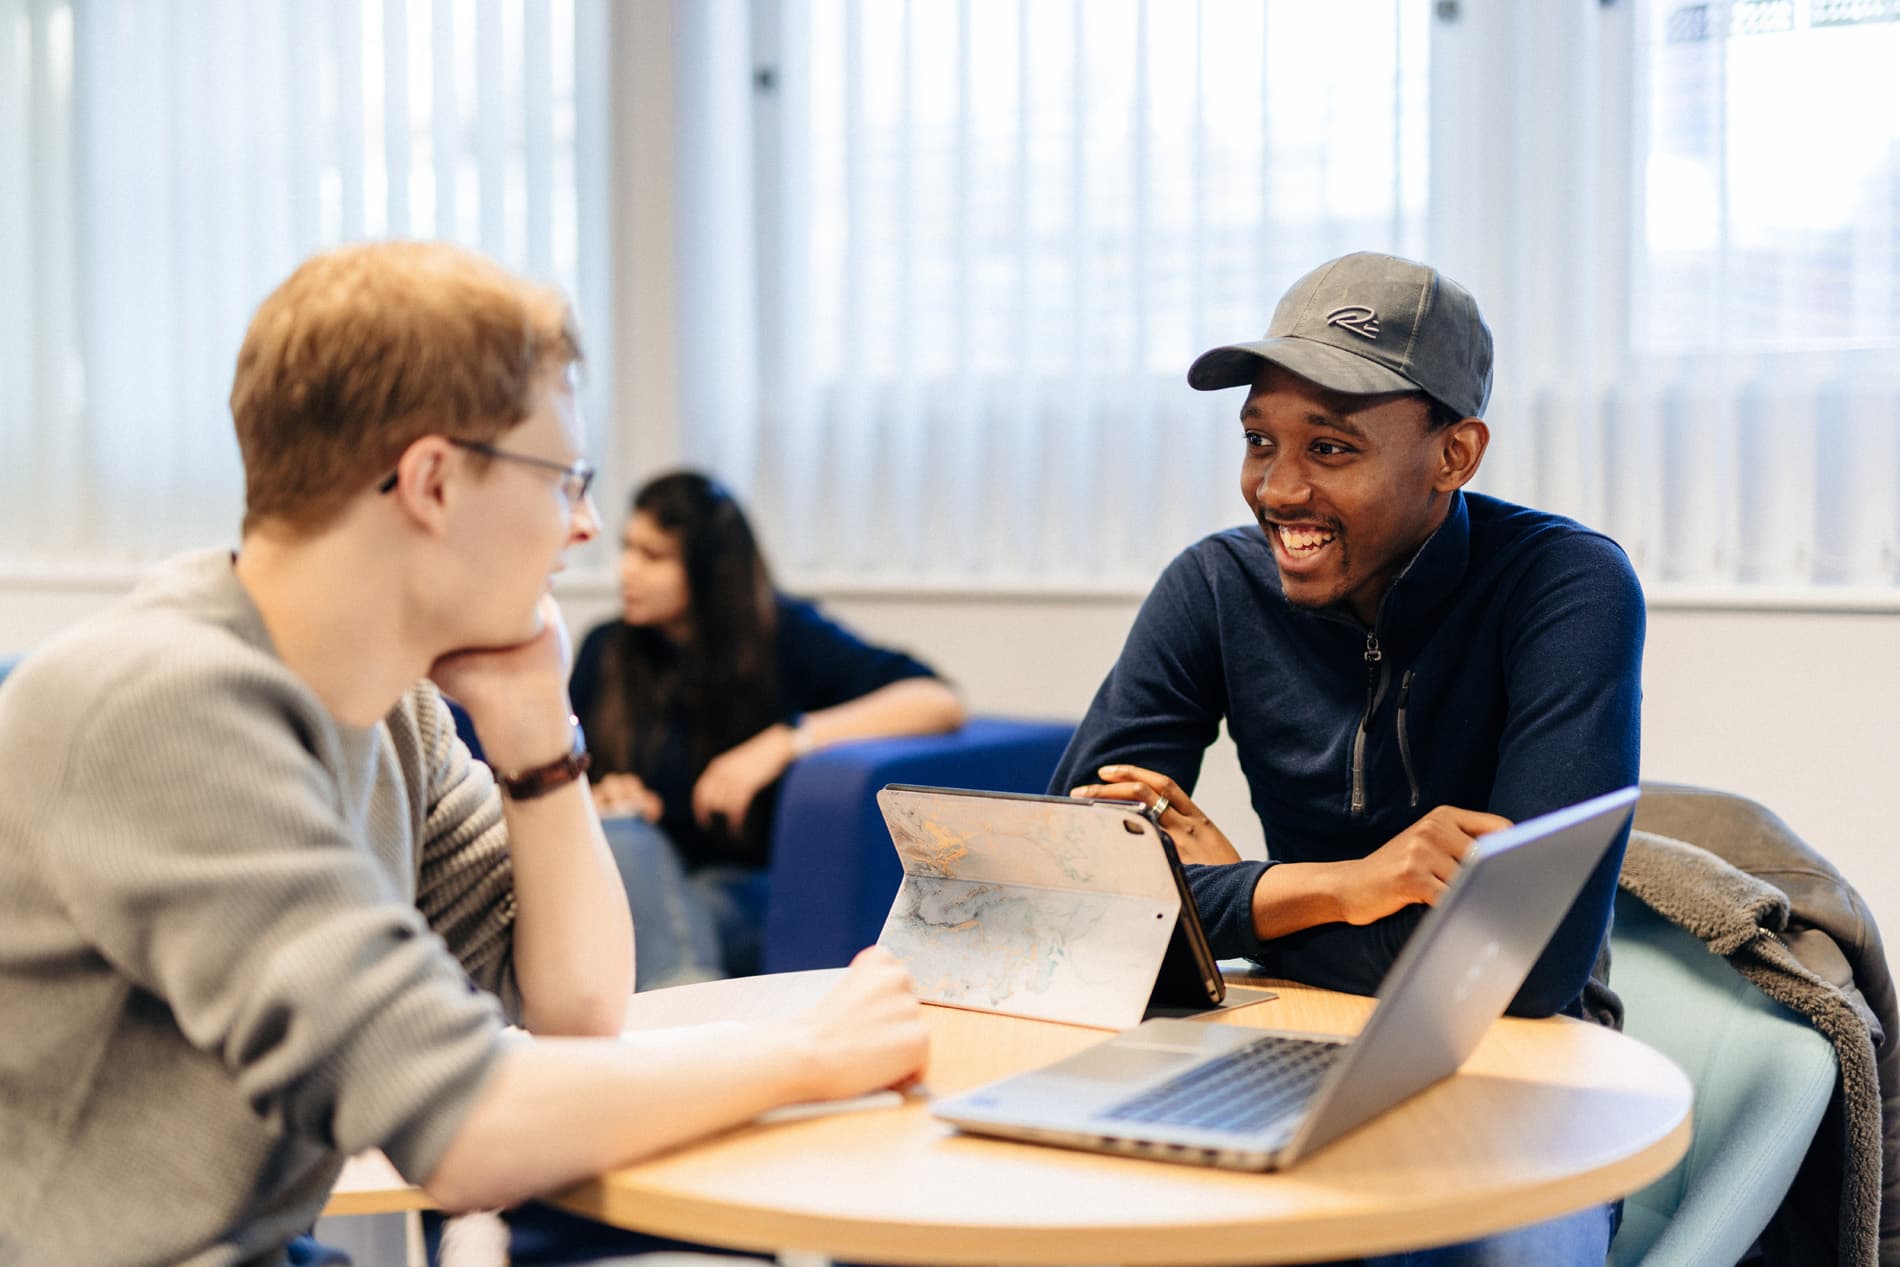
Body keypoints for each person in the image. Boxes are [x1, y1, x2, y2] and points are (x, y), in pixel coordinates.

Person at [0, 241, 928, 1267]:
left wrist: (537, 734)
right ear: (434, 481)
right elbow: (468, 1135)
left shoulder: (393, 711)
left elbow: (580, 1008)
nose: (580, 526)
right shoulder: (163, 706)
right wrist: (805, 1054)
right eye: (563, 478)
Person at [1052, 251, 1643, 1266]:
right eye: (1257, 441)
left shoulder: (1565, 587)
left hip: (1519, 1068)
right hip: (1284, 1039)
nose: (1278, 490)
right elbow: (1066, 897)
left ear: (1454, 454)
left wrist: (1229, 898)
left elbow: (1523, 971)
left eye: (1330, 447)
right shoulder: (1211, 587)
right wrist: (1338, 889)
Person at [566, 470, 965, 985]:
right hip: (630, 875)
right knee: (626, 839)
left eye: (654, 556)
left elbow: (937, 700)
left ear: (708, 568)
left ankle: (687, 1030)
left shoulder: (783, 636)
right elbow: (567, 777)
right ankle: (703, 1039)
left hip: (743, 887)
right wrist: (600, 796)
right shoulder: (605, 649)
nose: (626, 571)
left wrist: (785, 741)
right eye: (627, 549)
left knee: (687, 917)